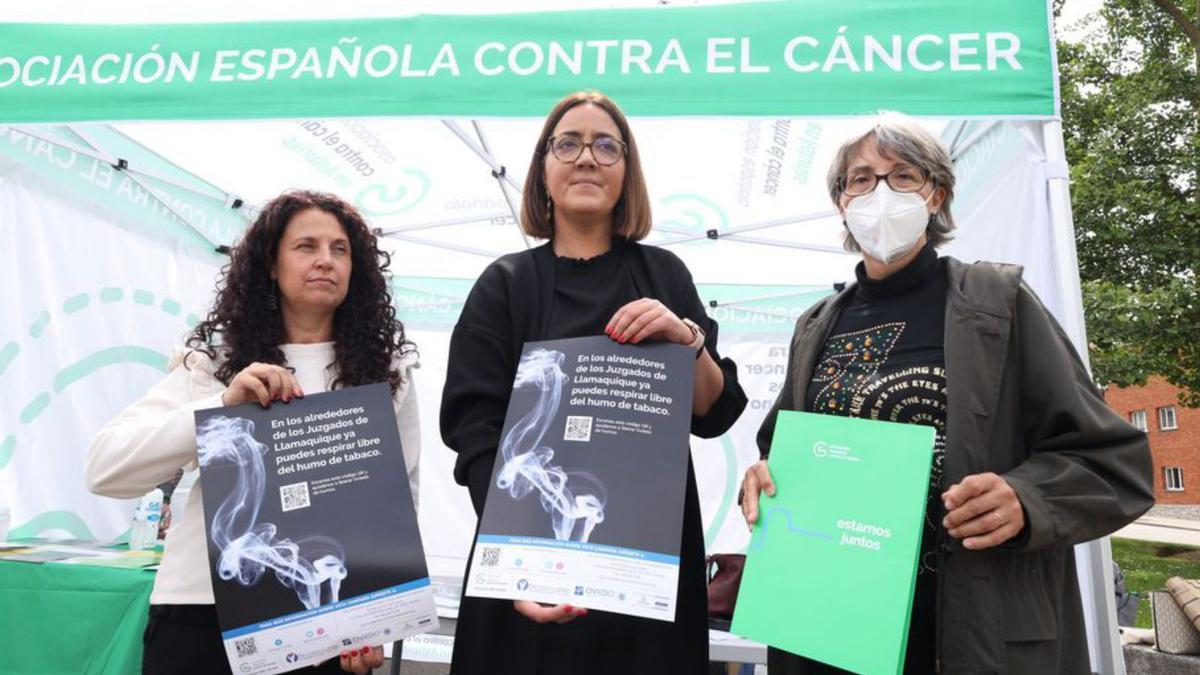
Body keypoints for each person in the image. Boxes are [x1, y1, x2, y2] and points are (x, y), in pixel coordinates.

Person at [740, 116, 1155, 674]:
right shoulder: (817, 325)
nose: (879, 192)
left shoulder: (997, 305)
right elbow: (781, 452)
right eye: (861, 179)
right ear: (841, 202)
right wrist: (763, 476)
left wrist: (1026, 498)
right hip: (832, 625)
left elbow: (1113, 462)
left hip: (963, 629)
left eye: (903, 176)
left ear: (936, 194)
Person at [440, 90, 748, 674]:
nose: (587, 157)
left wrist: (687, 341)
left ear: (627, 171)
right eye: (569, 143)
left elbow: (715, 412)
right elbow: (475, 432)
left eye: (607, 145)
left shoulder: (664, 274)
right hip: (530, 568)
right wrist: (516, 563)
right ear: (543, 170)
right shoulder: (503, 283)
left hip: (646, 570)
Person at [86, 190, 419, 675]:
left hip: (323, 623)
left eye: (340, 249)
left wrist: (373, 619)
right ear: (270, 263)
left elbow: (401, 500)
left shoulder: (388, 373)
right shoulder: (215, 363)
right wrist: (221, 408)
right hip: (201, 613)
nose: (325, 260)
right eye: (306, 246)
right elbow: (105, 470)